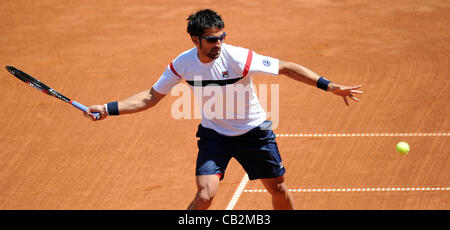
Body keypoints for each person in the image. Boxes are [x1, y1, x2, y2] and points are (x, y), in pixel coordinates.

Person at [85, 9, 363, 210]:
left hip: (254, 132)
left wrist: (329, 86)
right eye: (211, 40)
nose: (218, 44)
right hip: (215, 136)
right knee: (205, 196)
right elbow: (150, 97)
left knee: (277, 189)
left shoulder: (238, 57)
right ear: (195, 40)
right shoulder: (182, 64)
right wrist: (108, 109)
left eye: (221, 37)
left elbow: (286, 67)